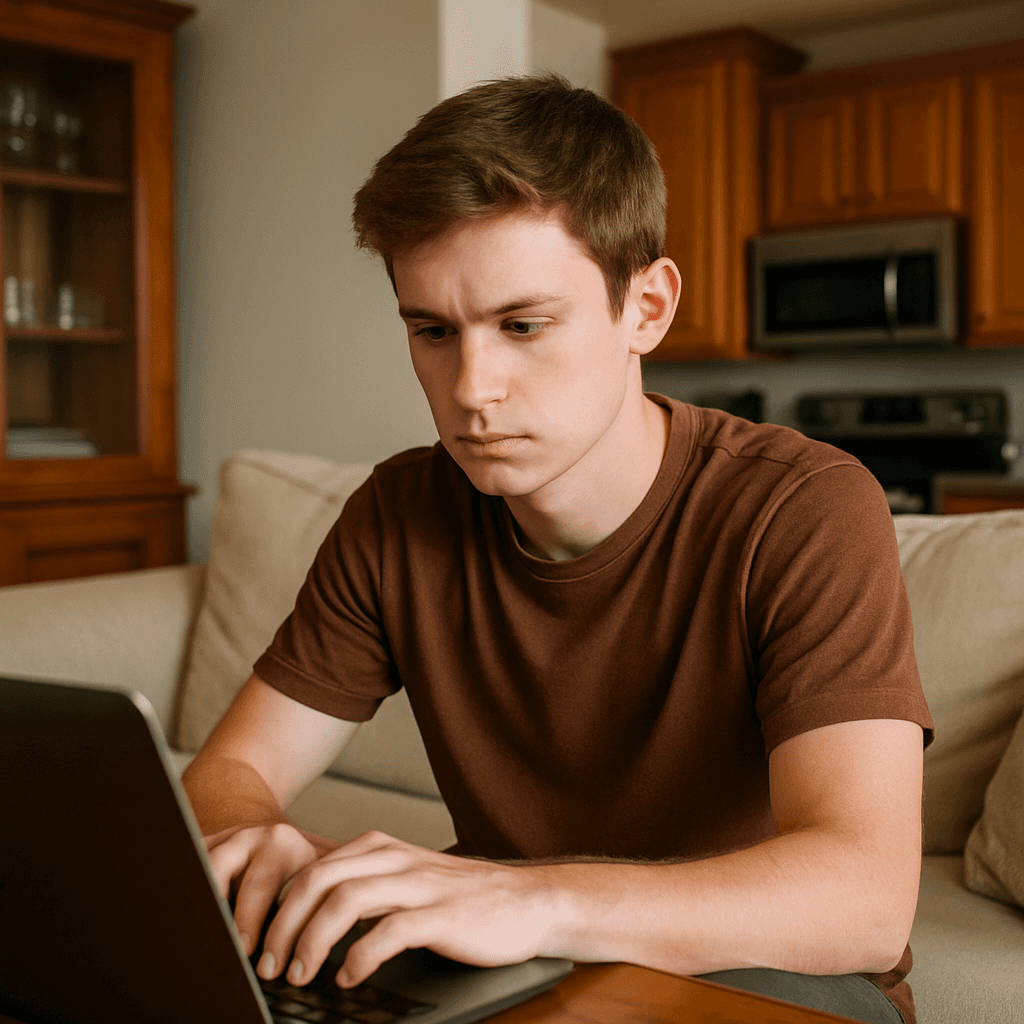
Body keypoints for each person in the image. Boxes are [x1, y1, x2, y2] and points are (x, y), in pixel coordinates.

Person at [181, 74, 934, 1024]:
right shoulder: (399, 511)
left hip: (770, 980)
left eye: (523, 325)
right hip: (518, 967)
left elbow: (863, 902)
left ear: (648, 308)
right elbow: (227, 776)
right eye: (433, 331)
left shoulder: (804, 507)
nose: (473, 388)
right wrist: (256, 844)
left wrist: (528, 900)